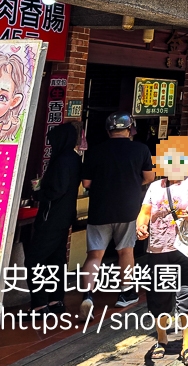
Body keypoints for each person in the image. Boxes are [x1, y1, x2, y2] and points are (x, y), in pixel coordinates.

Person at [137, 136, 188, 365]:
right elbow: (144, 211)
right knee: (159, 298)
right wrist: (141, 225)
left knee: (186, 297)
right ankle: (161, 339)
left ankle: (187, 346)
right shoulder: (154, 187)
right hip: (158, 249)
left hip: (185, 249)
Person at [79, 113, 155, 317]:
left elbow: (86, 183)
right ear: (130, 129)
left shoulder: (96, 151)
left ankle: (87, 296)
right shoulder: (141, 149)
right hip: (127, 209)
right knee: (125, 251)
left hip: (99, 209)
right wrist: (130, 183)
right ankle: (126, 294)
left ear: (108, 131)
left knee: (95, 255)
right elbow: (149, 177)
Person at [24, 122, 80, 314]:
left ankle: (39, 305)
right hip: (64, 218)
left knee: (34, 260)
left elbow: (57, 190)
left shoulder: (62, 160)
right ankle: (56, 300)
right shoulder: (74, 158)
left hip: (51, 218)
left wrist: (38, 194)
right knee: (56, 260)